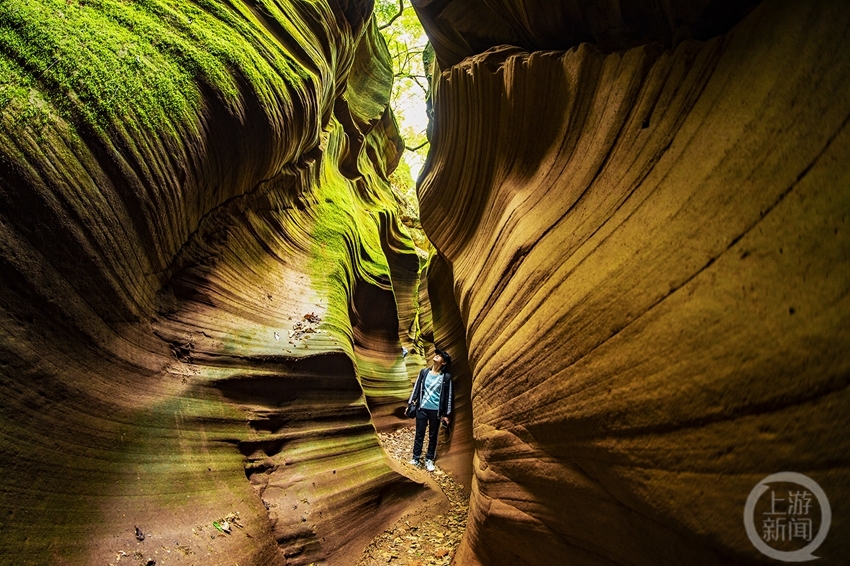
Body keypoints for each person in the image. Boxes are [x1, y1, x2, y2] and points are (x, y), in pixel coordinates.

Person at [408, 348, 453, 472]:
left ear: (444, 363)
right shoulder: (424, 372)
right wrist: (410, 404)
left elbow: (448, 396)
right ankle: (415, 458)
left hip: (436, 411)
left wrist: (446, 414)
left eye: (441, 356)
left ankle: (429, 459)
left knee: (433, 436)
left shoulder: (446, 377)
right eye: (437, 354)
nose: (438, 356)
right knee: (419, 434)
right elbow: (416, 389)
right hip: (422, 408)